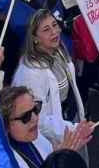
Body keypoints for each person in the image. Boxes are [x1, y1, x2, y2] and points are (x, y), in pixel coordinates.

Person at [12, 10, 88, 153]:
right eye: (46, 29)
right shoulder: (30, 74)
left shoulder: (57, 50)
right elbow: (37, 120)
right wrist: (71, 129)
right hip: (57, 139)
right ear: (35, 38)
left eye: (54, 25)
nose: (54, 32)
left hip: (71, 120)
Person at [0, 85, 94, 168]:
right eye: (25, 117)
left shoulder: (33, 135)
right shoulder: (2, 161)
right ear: (5, 123)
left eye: (35, 109)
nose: (35, 119)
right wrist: (58, 161)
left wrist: (59, 153)